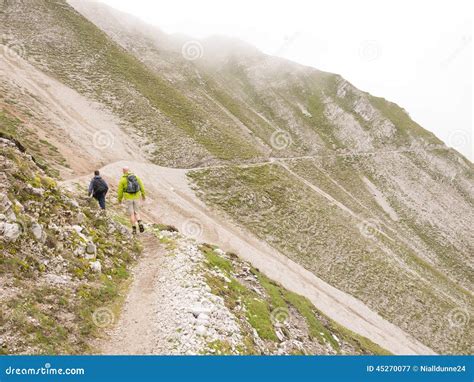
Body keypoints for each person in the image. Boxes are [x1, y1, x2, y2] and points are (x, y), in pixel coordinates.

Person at [117, 166, 146, 234]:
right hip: (136, 197)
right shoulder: (136, 177)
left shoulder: (122, 180)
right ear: (129, 170)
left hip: (128, 198)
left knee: (131, 214)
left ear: (123, 171)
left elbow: (120, 191)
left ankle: (134, 229)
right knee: (137, 212)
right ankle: (140, 222)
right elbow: (142, 186)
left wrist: (119, 199)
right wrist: (143, 195)